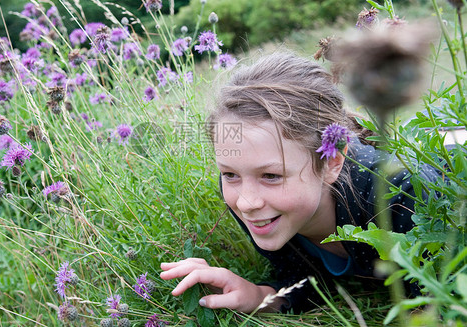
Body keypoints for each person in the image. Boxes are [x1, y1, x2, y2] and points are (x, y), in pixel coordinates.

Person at [159, 51, 441, 313]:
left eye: (271, 176)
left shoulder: (398, 192)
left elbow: (441, 296)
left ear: (332, 162)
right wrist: (259, 297)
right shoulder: (258, 206)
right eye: (230, 174)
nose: (246, 202)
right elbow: (303, 276)